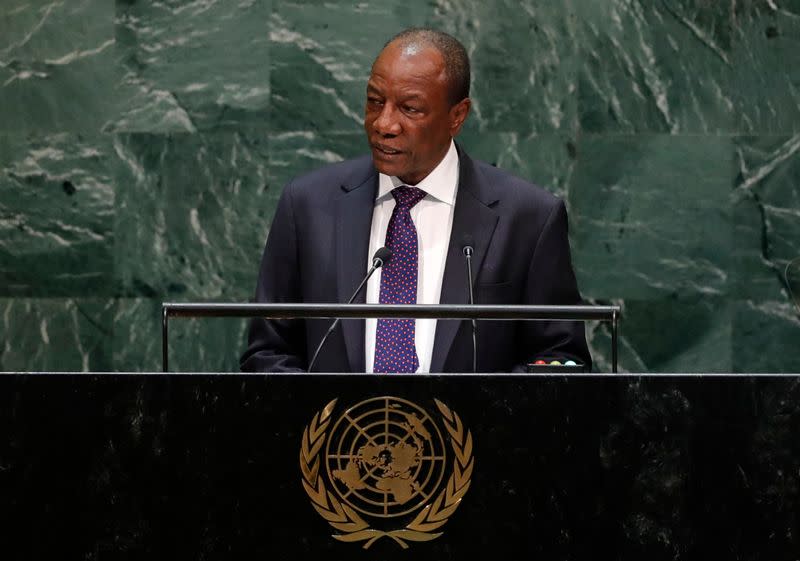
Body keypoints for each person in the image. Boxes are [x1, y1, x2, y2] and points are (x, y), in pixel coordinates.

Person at [240, 28, 591, 373]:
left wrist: (487, 416)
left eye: (410, 109)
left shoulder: (527, 218)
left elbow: (562, 357)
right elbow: (268, 352)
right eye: (375, 101)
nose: (384, 123)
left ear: (457, 116)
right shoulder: (307, 206)